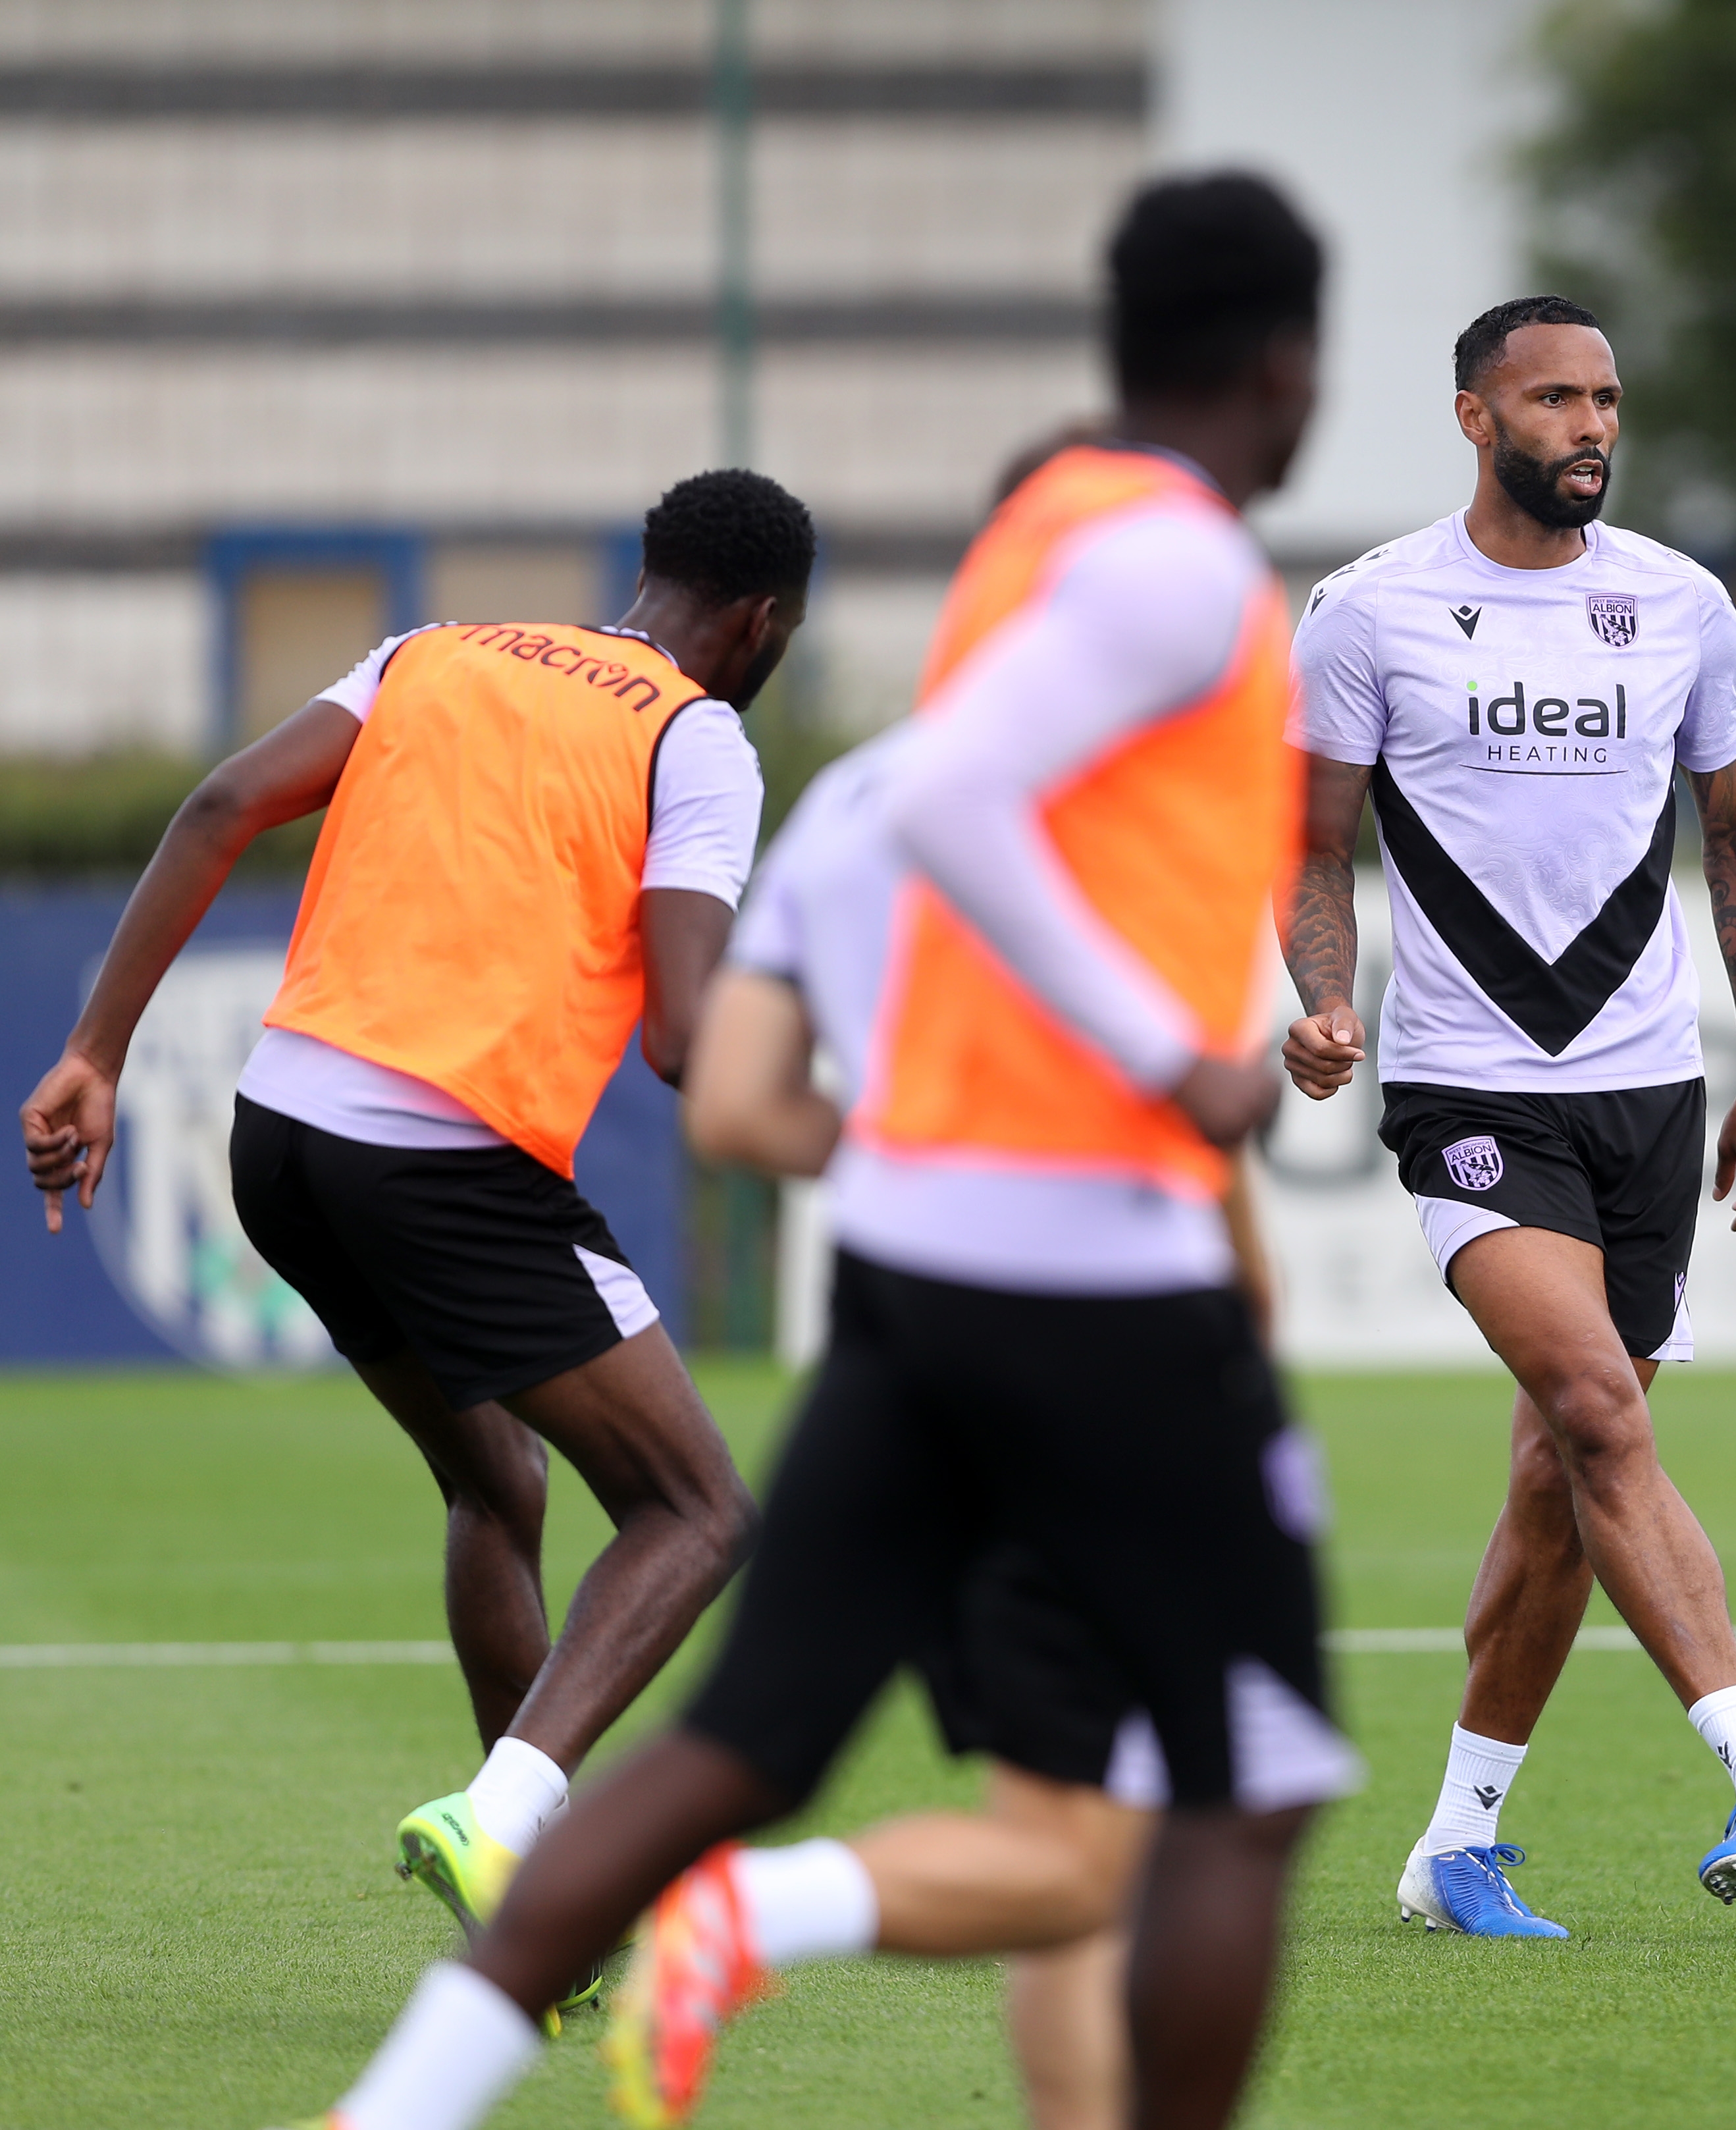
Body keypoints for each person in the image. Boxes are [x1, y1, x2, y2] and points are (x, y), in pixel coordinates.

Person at [283, 171, 1349, 2130]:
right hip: (1098, 1267)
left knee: (741, 1735)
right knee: (1247, 1779)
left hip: (914, 1262)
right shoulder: (1188, 570)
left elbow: (767, 1069)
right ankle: (759, 1914)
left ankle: (399, 2104)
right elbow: (964, 799)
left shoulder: (1036, 547)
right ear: (1293, 364)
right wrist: (1164, 1060)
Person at [20, 471, 811, 2011]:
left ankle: (532, 1910)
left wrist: (96, 1053)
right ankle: (509, 1820)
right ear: (761, 624)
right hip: (444, 1157)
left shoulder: (435, 649)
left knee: (494, 1476)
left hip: (280, 1136)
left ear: (647, 572)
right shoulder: (694, 738)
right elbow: (677, 1034)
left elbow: (218, 806)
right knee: (696, 1509)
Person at [1280, 295, 1736, 1940]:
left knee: (1556, 1480)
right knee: (1598, 1407)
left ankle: (1457, 1845)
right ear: (1473, 416)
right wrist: (1319, 996)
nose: (1588, 426)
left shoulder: (1678, 605)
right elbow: (1308, 843)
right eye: (1553, 400)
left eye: (1605, 400)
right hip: (1466, 1090)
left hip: (1646, 1099)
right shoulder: (1369, 613)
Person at [669, 681, 1276, 2130]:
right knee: (1113, 1849)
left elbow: (737, 1108)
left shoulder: (852, 798)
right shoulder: (1130, 814)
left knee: (1058, 1833)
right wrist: (1246, 1329)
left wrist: (916, 1168)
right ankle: (754, 1910)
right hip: (1096, 1353)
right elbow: (1184, 1123)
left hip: (902, 1343)